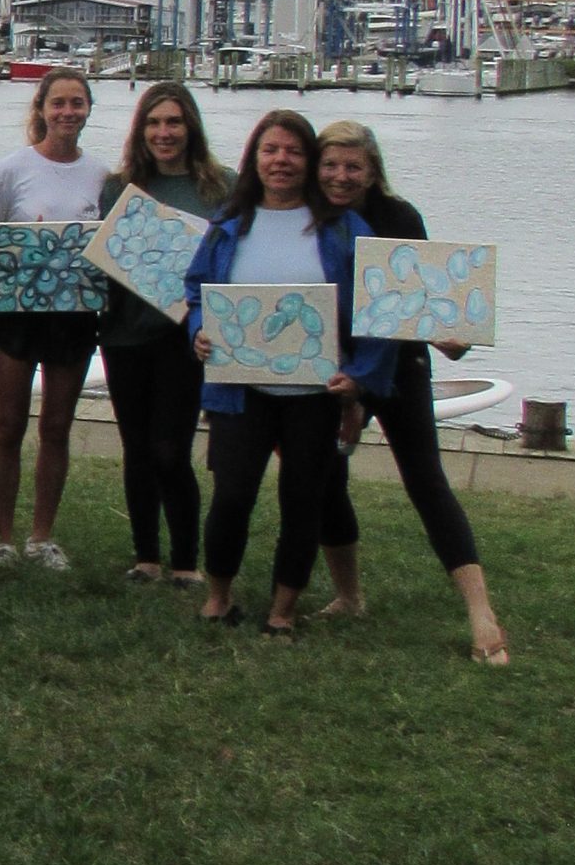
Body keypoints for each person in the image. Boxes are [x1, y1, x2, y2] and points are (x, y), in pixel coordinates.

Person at [185, 111, 394, 639]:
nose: (281, 161)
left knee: (303, 500)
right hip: (240, 388)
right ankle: (219, 596)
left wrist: (360, 377)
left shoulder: (345, 229)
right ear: (254, 158)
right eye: (270, 151)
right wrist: (198, 330)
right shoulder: (229, 224)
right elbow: (196, 292)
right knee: (232, 495)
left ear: (310, 162)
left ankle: (283, 608)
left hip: (315, 393)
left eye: (294, 152)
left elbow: (378, 310)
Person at [312, 120, 510, 664]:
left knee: (426, 479)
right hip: (336, 367)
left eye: (354, 166)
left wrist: (452, 334)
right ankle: (349, 596)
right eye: (331, 164)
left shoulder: (399, 218)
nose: (341, 176)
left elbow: (424, 305)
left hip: (398, 363)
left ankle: (481, 612)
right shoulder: (308, 217)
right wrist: (349, 394)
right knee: (327, 477)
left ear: (373, 171)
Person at [0, 67, 109, 572]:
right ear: (42, 109)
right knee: (8, 423)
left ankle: (42, 537)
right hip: (17, 313)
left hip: (74, 315)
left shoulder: (102, 175)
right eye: (59, 103)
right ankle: (5, 540)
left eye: (77, 103)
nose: (68, 112)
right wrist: (25, 249)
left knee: (57, 425)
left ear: (89, 110)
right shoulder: (10, 170)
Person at [97, 83, 229, 585]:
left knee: (170, 448)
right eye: (153, 123)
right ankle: (146, 557)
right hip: (124, 334)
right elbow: (106, 261)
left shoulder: (221, 188)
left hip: (184, 337)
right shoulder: (119, 187)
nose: (164, 132)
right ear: (140, 130)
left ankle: (186, 562)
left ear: (190, 126)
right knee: (136, 447)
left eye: (173, 122)